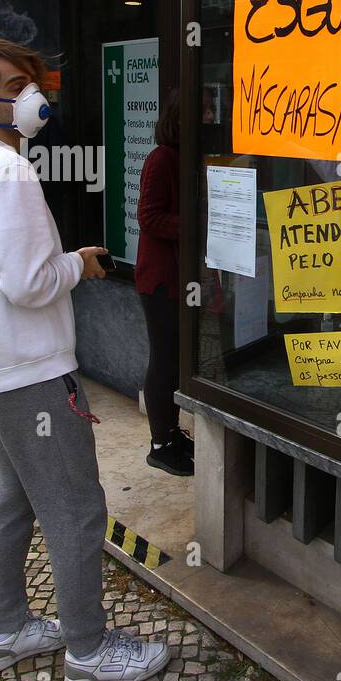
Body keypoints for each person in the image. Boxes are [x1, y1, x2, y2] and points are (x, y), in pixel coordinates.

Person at [0, 37, 169, 681]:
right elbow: (29, 283)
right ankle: (89, 653)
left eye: (32, 82)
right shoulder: (8, 173)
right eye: (13, 88)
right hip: (30, 368)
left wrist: (59, 262)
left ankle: (4, 629)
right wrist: (79, 264)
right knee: (75, 508)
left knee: (16, 497)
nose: (31, 97)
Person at [135, 90, 193, 475]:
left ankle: (171, 432)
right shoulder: (161, 159)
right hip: (160, 278)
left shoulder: (184, 158)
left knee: (175, 358)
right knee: (165, 358)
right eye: (202, 109)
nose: (210, 115)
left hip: (179, 274)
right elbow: (149, 217)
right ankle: (160, 443)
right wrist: (197, 224)